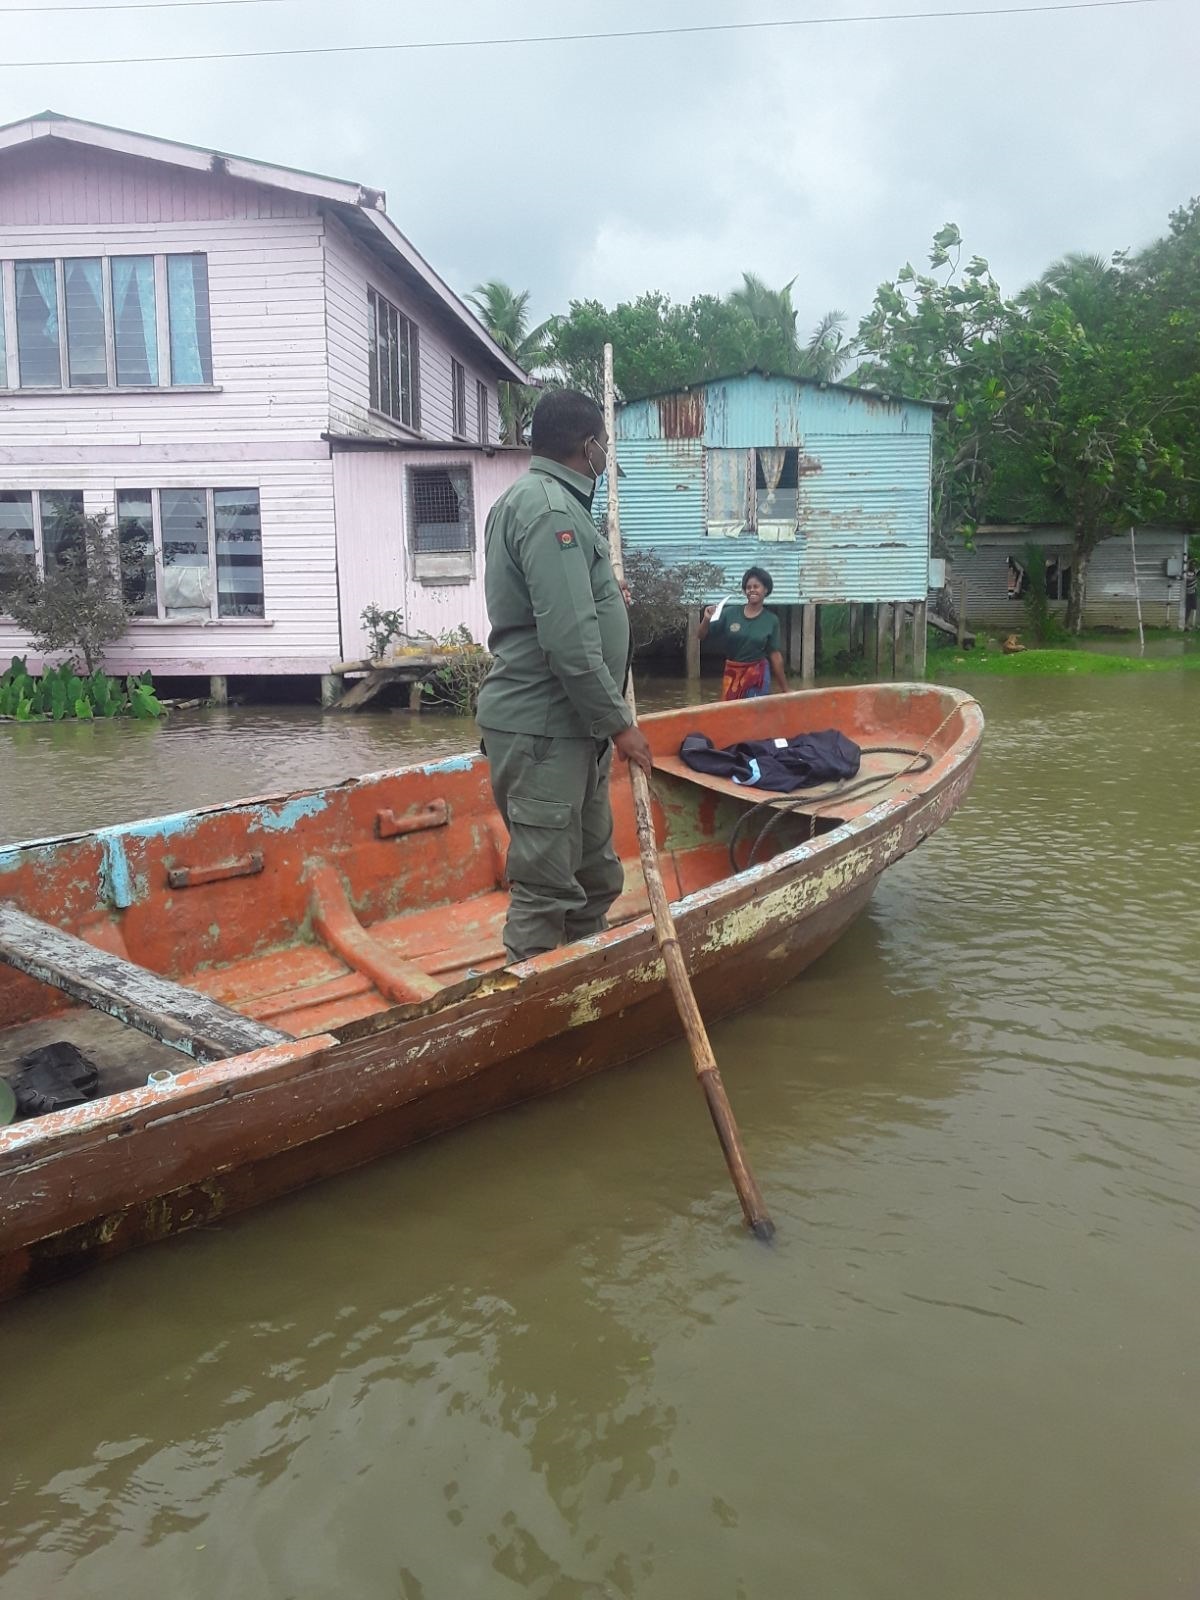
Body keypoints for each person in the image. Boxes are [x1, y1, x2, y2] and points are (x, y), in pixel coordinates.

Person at [476, 388, 654, 966]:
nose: (605, 453)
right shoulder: (551, 509)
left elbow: (570, 606)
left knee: (594, 876)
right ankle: (524, 1006)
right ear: (588, 445)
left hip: (572, 732)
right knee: (548, 887)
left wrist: (609, 597)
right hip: (546, 730)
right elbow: (569, 644)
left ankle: (585, 978)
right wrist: (620, 724)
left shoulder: (544, 503)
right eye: (602, 442)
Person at [697, 566, 789, 699]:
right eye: (748, 587)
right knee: (731, 715)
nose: (752, 590)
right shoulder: (730, 613)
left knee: (755, 715)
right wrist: (706, 619)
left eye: (756, 586)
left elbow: (775, 655)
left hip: (758, 676)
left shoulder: (771, 620)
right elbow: (701, 635)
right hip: (732, 674)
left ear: (766, 590)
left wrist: (785, 689)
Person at [1186, 556, 1197, 631]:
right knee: (1187, 608)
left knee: (1194, 607)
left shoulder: (1195, 572)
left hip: (1193, 593)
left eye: (1194, 565)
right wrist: (1191, 560)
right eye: (1191, 564)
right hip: (1186, 593)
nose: (1192, 566)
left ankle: (1192, 623)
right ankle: (1186, 624)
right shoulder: (1185, 572)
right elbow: (1189, 579)